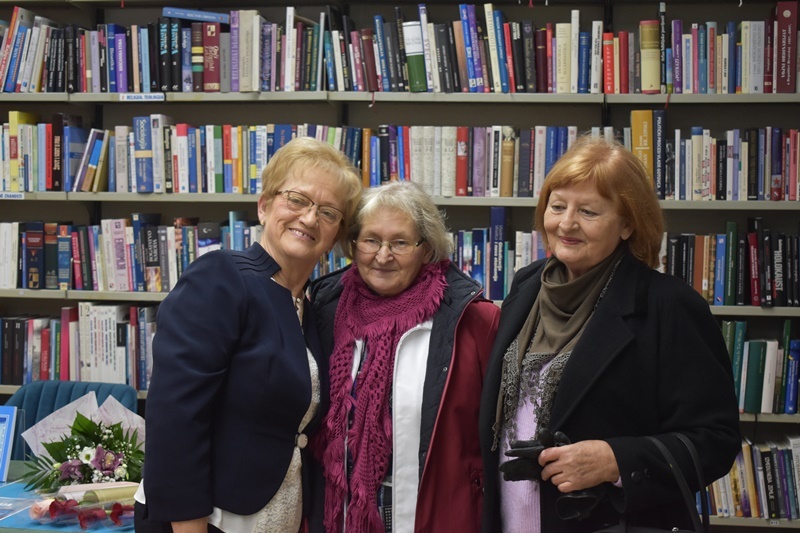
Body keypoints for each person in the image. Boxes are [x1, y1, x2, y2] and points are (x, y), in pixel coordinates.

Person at [479, 136, 741, 532]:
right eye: (557, 206)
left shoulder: (669, 306)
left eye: (588, 211)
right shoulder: (527, 285)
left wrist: (615, 460)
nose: (566, 224)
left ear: (628, 224)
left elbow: (715, 440)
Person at [135, 137, 363, 533]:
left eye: (328, 212)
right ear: (264, 206)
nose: (310, 219)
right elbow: (175, 416)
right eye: (297, 200)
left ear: (337, 235)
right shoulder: (221, 277)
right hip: (202, 520)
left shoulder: (310, 309)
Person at [310, 181, 501, 533]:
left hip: (434, 516)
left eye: (400, 243)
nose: (383, 256)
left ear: (426, 249)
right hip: (339, 514)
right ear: (353, 244)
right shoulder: (326, 309)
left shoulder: (473, 320)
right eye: (371, 240)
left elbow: (496, 434)